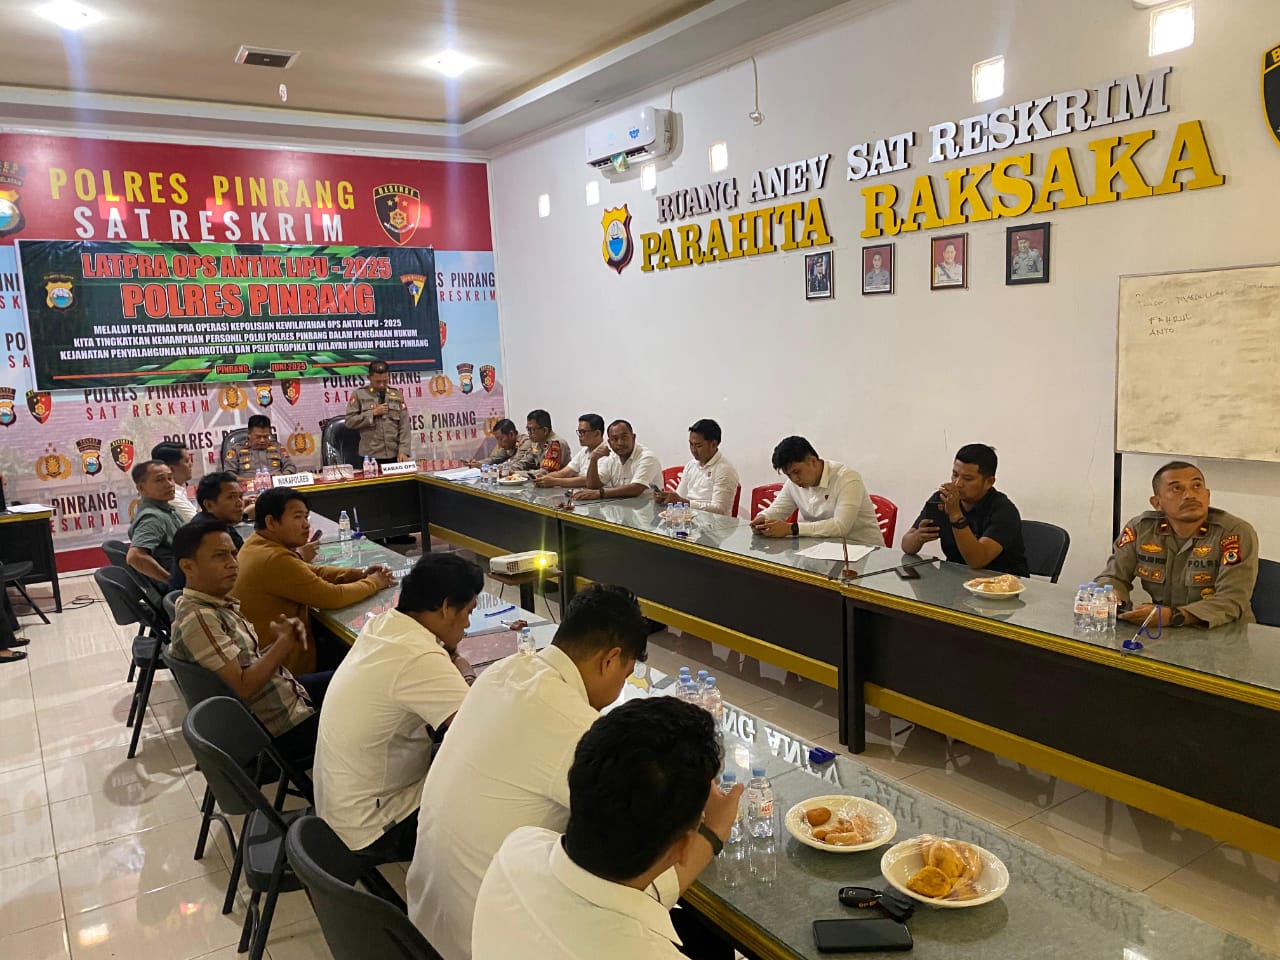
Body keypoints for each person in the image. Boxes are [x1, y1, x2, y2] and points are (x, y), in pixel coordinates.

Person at [406, 585, 654, 960]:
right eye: (626, 675)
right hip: (485, 942)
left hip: (428, 924)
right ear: (610, 659)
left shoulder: (504, 671)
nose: (621, 689)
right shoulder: (573, 723)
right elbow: (641, 831)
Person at [472, 697, 743, 960]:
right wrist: (712, 829)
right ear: (682, 846)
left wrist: (710, 831)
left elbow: (616, 895)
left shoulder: (517, 850)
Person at [314, 552, 481, 865]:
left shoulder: (383, 625)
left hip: (340, 808)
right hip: (372, 828)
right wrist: (467, 674)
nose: (468, 624)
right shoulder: (418, 656)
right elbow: (479, 734)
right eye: (468, 611)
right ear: (447, 607)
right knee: (493, 780)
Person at [168, 521, 326, 770]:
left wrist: (278, 643)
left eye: (233, 554)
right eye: (220, 556)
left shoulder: (213, 604)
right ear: (188, 566)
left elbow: (244, 663)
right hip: (278, 733)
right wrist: (283, 645)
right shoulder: (200, 618)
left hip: (283, 699)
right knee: (367, 712)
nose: (233, 563)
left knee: (350, 679)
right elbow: (243, 686)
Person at [233, 487, 395, 674]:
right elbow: (332, 597)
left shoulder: (257, 544)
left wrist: (360, 574)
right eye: (297, 517)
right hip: (284, 674)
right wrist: (375, 582)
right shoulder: (273, 559)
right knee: (369, 666)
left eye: (306, 517)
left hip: (276, 656)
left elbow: (311, 571)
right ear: (271, 522)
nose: (306, 525)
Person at [1095, 461, 1259, 628]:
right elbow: (1113, 577)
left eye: (1197, 486)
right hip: (1165, 632)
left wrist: (1174, 616)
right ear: (1157, 503)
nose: (1190, 495)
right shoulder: (1141, 529)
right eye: (1176, 488)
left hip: (1225, 632)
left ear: (1208, 495)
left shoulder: (1233, 532)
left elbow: (1231, 599)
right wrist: (1113, 596)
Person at [901, 444, 1030, 576]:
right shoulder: (942, 499)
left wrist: (955, 514)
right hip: (955, 578)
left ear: (989, 482)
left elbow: (977, 561)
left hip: (1001, 582)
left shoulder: (1004, 511)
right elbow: (906, 545)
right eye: (955, 474)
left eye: (968, 479)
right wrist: (918, 537)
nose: (957, 483)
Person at [750, 436, 881, 544]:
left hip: (864, 551)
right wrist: (763, 519)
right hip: (823, 548)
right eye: (788, 475)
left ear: (812, 461)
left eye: (797, 472)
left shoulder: (847, 478)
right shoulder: (793, 483)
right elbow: (778, 510)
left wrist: (792, 528)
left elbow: (841, 526)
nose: (794, 479)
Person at [654, 419, 740, 516]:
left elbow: (720, 510)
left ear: (714, 444)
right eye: (691, 444)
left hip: (713, 523)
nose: (693, 450)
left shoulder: (725, 470)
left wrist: (685, 503)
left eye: (698, 445)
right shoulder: (691, 465)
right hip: (688, 518)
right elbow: (679, 496)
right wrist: (665, 499)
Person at [574, 419, 662, 502]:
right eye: (615, 439)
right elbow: (593, 486)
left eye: (624, 437)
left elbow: (635, 489)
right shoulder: (611, 457)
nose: (620, 443)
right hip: (620, 508)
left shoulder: (647, 457)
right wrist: (593, 460)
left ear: (633, 437)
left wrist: (600, 493)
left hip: (647, 510)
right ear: (609, 443)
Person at [126, 459, 182, 586]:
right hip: (182, 585)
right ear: (141, 488)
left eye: (170, 478)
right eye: (160, 480)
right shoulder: (153, 517)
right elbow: (135, 557)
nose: (169, 484)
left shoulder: (164, 509)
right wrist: (171, 581)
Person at [346, 360, 411, 463]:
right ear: (369, 377)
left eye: (385, 381)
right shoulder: (359, 395)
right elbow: (349, 421)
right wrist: (372, 413)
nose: (381, 385)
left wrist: (404, 451)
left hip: (394, 454)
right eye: (378, 381)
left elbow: (404, 425)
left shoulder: (397, 395)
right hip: (370, 456)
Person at [535, 414, 605, 489]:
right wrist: (544, 478)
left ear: (597, 433)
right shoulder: (584, 451)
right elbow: (565, 473)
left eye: (583, 432)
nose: (580, 435)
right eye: (579, 432)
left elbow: (587, 480)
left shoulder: (607, 452)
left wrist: (554, 481)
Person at [224, 414, 297, 478]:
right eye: (258, 437)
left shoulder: (277, 447)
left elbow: (290, 466)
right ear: (249, 434)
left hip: (276, 487)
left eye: (266, 436)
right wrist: (254, 481)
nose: (262, 440)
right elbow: (229, 475)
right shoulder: (236, 450)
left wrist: (282, 476)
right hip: (248, 487)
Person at [510, 409, 571, 474]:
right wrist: (510, 469)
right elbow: (525, 462)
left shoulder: (556, 444)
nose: (529, 433)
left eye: (532, 429)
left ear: (545, 430)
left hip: (558, 480)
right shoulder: (536, 443)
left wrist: (517, 473)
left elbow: (545, 472)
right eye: (528, 429)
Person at [151, 441, 197, 522]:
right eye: (187, 461)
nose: (191, 464)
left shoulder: (178, 491)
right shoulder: (170, 497)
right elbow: (201, 523)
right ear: (170, 469)